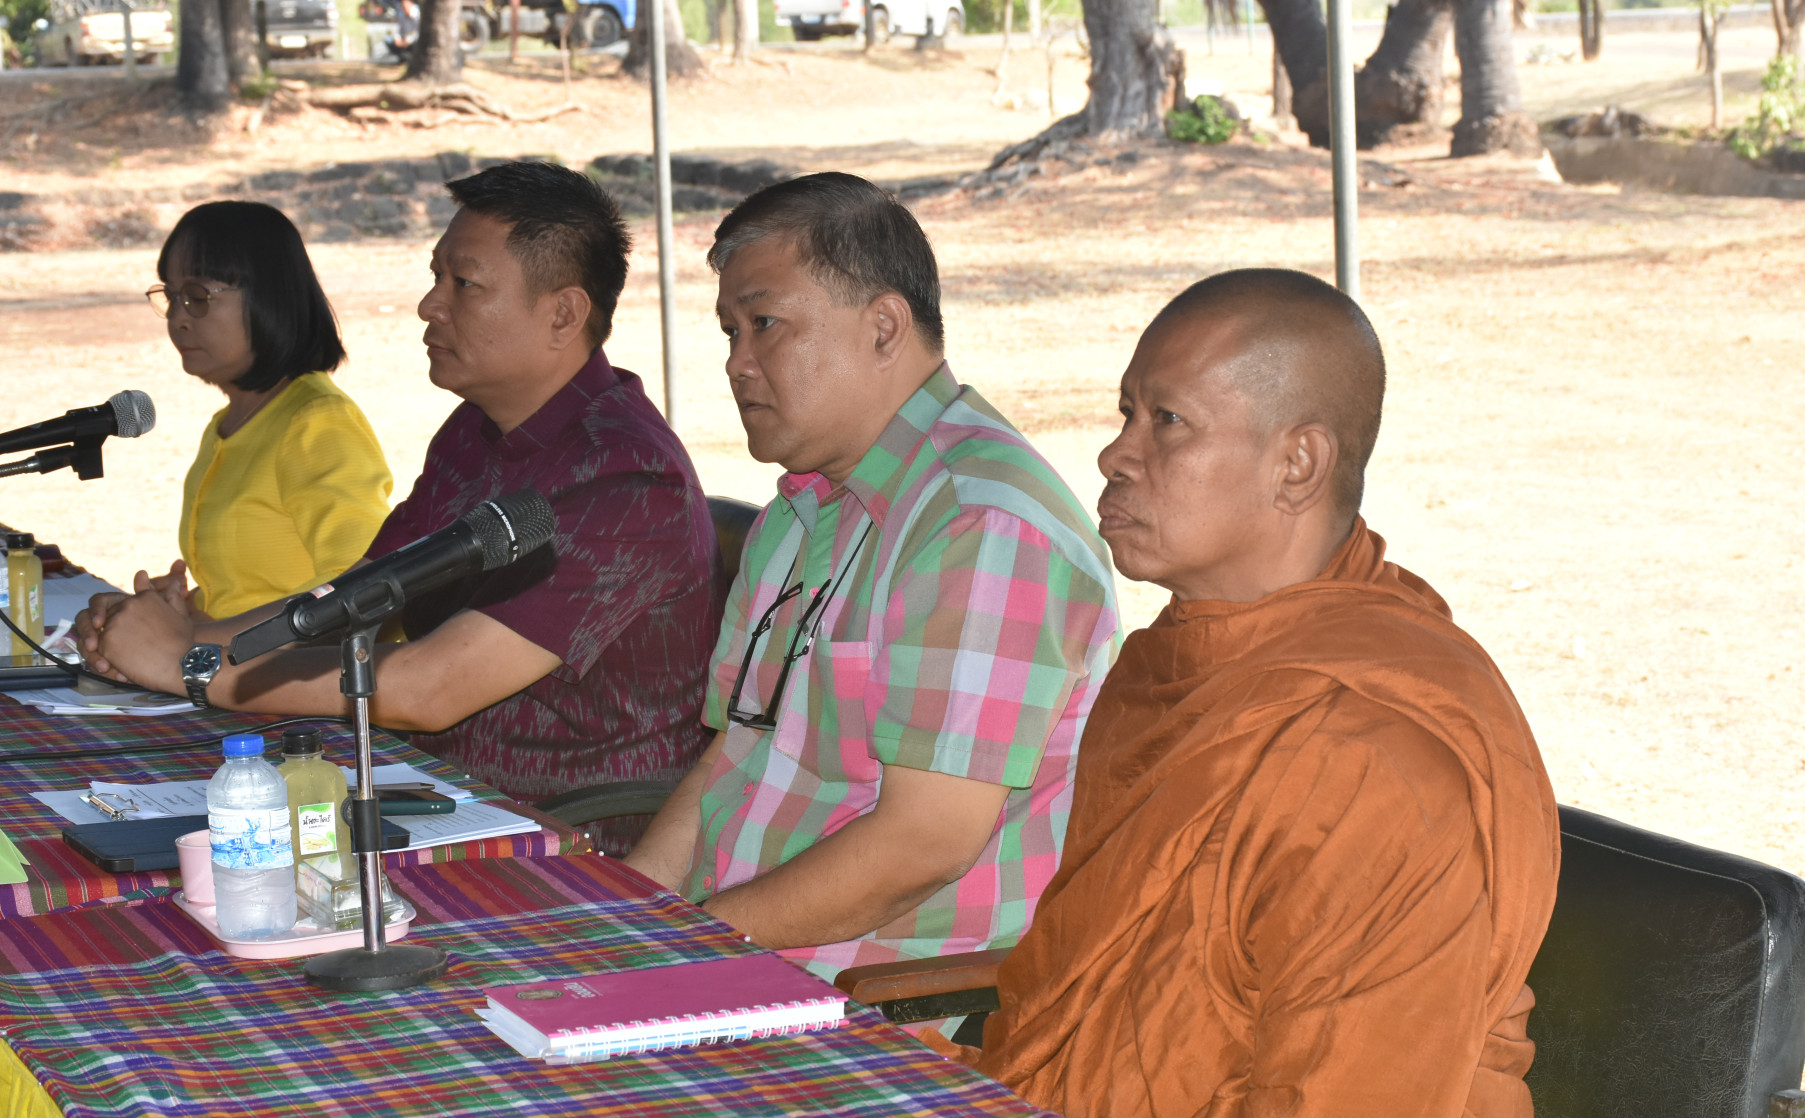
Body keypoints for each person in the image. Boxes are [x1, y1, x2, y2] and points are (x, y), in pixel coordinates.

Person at [928, 269, 1561, 1118]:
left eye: (1167, 422)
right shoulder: (1169, 671)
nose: (1114, 454)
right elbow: (1081, 983)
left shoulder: (1369, 754)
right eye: (1126, 414)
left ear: (1296, 464)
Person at [83, 163, 720, 846]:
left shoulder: (625, 478)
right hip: (440, 795)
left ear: (563, 313)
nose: (429, 305)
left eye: (463, 284)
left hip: (566, 837)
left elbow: (429, 687)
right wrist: (170, 633)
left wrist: (191, 666)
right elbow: (352, 598)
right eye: (434, 277)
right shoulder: (473, 434)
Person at [624, 173, 1121, 982]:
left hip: (880, 1009)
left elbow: (920, 844)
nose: (737, 364)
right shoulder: (801, 509)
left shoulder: (979, 524)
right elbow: (733, 758)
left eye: (764, 324)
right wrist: (621, 928)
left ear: (884, 327)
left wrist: (679, 955)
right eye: (728, 332)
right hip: (734, 959)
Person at [140, 201, 393, 620]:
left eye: (198, 297)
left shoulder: (317, 422)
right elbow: (243, 593)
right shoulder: (226, 427)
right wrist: (179, 612)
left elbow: (361, 591)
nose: (178, 319)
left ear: (268, 298)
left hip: (302, 681)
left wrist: (202, 644)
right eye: (171, 296)